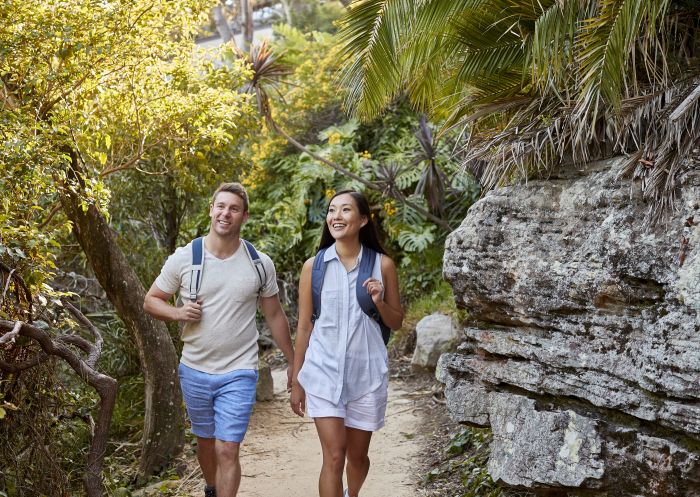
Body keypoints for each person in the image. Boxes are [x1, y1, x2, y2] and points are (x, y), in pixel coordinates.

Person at [143, 182, 294, 497]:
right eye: (221, 206)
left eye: (234, 208)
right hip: (195, 369)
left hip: (240, 370)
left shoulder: (259, 263)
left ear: (244, 216)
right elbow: (151, 300)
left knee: (228, 449)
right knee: (206, 444)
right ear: (211, 210)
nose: (226, 213)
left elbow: (275, 315)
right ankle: (211, 488)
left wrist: (294, 362)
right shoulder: (185, 258)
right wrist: (178, 313)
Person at [290, 190, 404, 497]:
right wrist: (297, 380)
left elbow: (396, 322)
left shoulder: (384, 265)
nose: (336, 217)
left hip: (366, 375)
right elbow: (303, 326)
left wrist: (379, 300)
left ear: (363, 219)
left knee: (356, 457)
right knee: (334, 456)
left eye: (345, 210)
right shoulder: (313, 267)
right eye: (331, 210)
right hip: (323, 372)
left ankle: (352, 494)